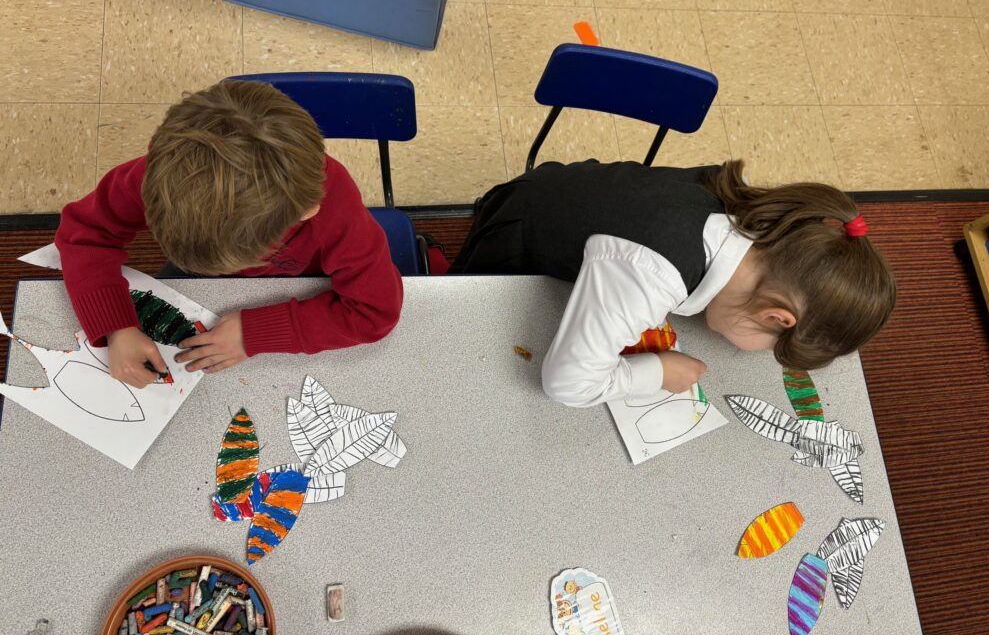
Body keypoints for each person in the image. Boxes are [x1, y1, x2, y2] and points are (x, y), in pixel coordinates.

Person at [451, 160, 895, 407]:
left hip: (555, 192)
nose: (757, 353)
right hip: (514, 237)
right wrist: (656, 372)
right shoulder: (654, 273)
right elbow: (567, 384)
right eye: (770, 347)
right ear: (775, 316)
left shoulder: (755, 217)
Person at [55, 80, 403, 388]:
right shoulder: (162, 174)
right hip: (198, 278)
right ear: (154, 148)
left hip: (304, 286)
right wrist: (115, 325)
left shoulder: (333, 210)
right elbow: (84, 233)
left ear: (306, 212)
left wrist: (254, 334)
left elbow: (374, 312)